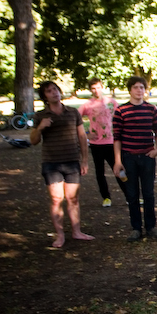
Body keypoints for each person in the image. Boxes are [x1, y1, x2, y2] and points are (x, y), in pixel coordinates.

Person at [30, 81, 94, 248]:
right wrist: (40, 127)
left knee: (73, 198)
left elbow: (82, 136)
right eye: (49, 91)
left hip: (72, 161)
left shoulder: (72, 112)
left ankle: (77, 231)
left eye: (55, 89)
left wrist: (84, 160)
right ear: (45, 96)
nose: (54, 93)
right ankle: (60, 235)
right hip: (51, 163)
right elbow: (33, 141)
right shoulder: (40, 115)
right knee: (56, 199)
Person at [112, 76, 157, 241]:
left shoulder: (151, 109)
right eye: (135, 87)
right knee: (132, 194)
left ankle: (151, 226)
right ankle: (136, 228)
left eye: (142, 87)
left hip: (147, 157)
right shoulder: (121, 111)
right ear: (130, 90)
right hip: (129, 158)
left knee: (149, 193)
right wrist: (118, 161)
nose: (139, 90)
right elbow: (117, 138)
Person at [78, 78, 127, 207]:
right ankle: (106, 197)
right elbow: (75, 118)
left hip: (112, 143)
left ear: (102, 87)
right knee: (100, 173)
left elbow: (122, 118)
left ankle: (130, 195)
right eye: (93, 88)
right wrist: (86, 134)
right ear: (90, 90)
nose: (96, 91)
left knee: (120, 170)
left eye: (98, 87)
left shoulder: (111, 102)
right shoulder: (88, 105)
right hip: (96, 144)